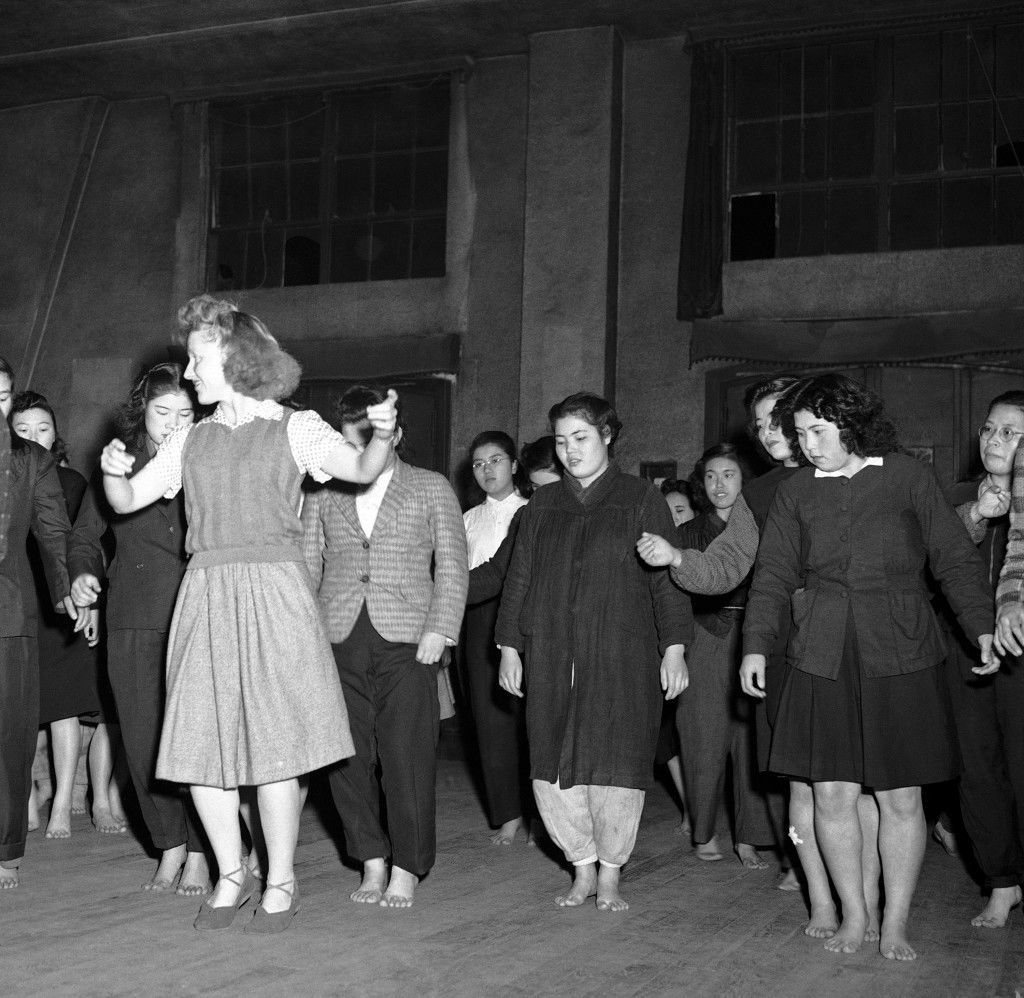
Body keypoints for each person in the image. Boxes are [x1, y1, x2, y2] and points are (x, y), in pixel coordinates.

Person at [97, 296, 398, 933]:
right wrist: (112, 474)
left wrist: (383, 434)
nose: (189, 371)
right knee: (197, 744)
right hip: (205, 592)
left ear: (235, 359)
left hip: (275, 594)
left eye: (198, 359)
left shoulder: (296, 427)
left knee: (276, 751)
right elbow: (127, 502)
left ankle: (280, 879)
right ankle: (231, 873)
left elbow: (361, 468)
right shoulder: (189, 438)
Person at [742, 372, 995, 961]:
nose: (809, 444)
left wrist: (980, 626)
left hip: (900, 647)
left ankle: (896, 919)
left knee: (901, 798)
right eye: (800, 433)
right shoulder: (796, 492)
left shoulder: (907, 477)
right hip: (822, 650)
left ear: (852, 424)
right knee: (830, 794)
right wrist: (755, 643)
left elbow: (954, 560)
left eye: (819, 430)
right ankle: (855, 914)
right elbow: (774, 573)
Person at [495, 392, 692, 911]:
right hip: (553, 652)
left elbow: (666, 583)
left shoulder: (639, 499)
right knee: (550, 765)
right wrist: (510, 647)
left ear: (607, 435)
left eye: (580, 438)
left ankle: (610, 874)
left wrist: (674, 649)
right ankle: (580, 867)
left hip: (621, 654)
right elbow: (519, 581)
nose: (569, 451)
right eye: (560, 441)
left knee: (617, 764)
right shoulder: (542, 505)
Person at [302, 385, 467, 909]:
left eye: (373, 437)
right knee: (345, 760)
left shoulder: (432, 487)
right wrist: (305, 639)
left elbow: (453, 564)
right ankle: (371, 859)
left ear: (396, 434)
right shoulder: (324, 490)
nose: (362, 451)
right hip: (338, 636)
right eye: (352, 441)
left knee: (406, 756)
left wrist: (440, 627)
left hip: (410, 639)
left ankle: (407, 865)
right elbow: (308, 567)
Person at [69, 363, 212, 895]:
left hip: (198, 613)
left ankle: (201, 850)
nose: (174, 423)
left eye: (185, 413)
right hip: (132, 616)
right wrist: (83, 574)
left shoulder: (209, 454)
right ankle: (169, 846)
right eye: (162, 412)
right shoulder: (119, 461)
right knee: (143, 741)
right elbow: (85, 534)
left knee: (198, 740)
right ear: (141, 410)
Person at [10, 391, 123, 840]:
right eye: (23, 430)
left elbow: (87, 548)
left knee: (67, 707)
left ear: (56, 434)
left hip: (64, 604)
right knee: (20, 709)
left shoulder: (75, 483)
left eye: (43, 429)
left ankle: (65, 803)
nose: (35, 438)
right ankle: (27, 800)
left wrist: (89, 601)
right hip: (20, 603)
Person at [0, 358, 84, 887]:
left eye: (3, 395)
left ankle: (3, 847)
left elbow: (54, 534)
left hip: (9, 609)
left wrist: (68, 588)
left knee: (10, 731)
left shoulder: (31, 462)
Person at [674, 443, 777, 868]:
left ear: (746, 481)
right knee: (703, 735)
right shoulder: (687, 533)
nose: (719, 484)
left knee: (753, 739)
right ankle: (703, 831)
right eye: (711, 476)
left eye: (729, 475)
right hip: (706, 636)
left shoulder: (768, 524)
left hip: (757, 638)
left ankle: (751, 836)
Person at [952, 391, 1024, 927]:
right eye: (989, 430)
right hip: (968, 659)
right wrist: (979, 511)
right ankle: (1002, 882)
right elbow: (932, 559)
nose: (995, 441)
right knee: (978, 772)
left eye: (1011, 432)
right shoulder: (958, 495)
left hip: (1020, 658)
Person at [462, 431, 530, 845]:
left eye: (496, 460)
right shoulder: (467, 519)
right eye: (478, 464)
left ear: (515, 465)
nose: (487, 470)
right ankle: (508, 813)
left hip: (522, 619)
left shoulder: (534, 509)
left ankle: (541, 816)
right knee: (489, 722)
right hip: (477, 621)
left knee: (530, 720)